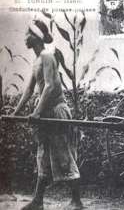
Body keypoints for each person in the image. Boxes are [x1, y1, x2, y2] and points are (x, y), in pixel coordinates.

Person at [12, 20, 83, 210]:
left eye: (27, 33)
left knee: (63, 155)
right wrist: (15, 112)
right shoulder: (37, 60)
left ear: (35, 36)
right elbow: (28, 91)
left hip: (56, 113)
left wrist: (36, 112)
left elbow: (50, 86)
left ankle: (77, 201)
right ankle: (38, 201)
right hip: (45, 114)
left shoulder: (47, 56)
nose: (24, 37)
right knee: (42, 156)